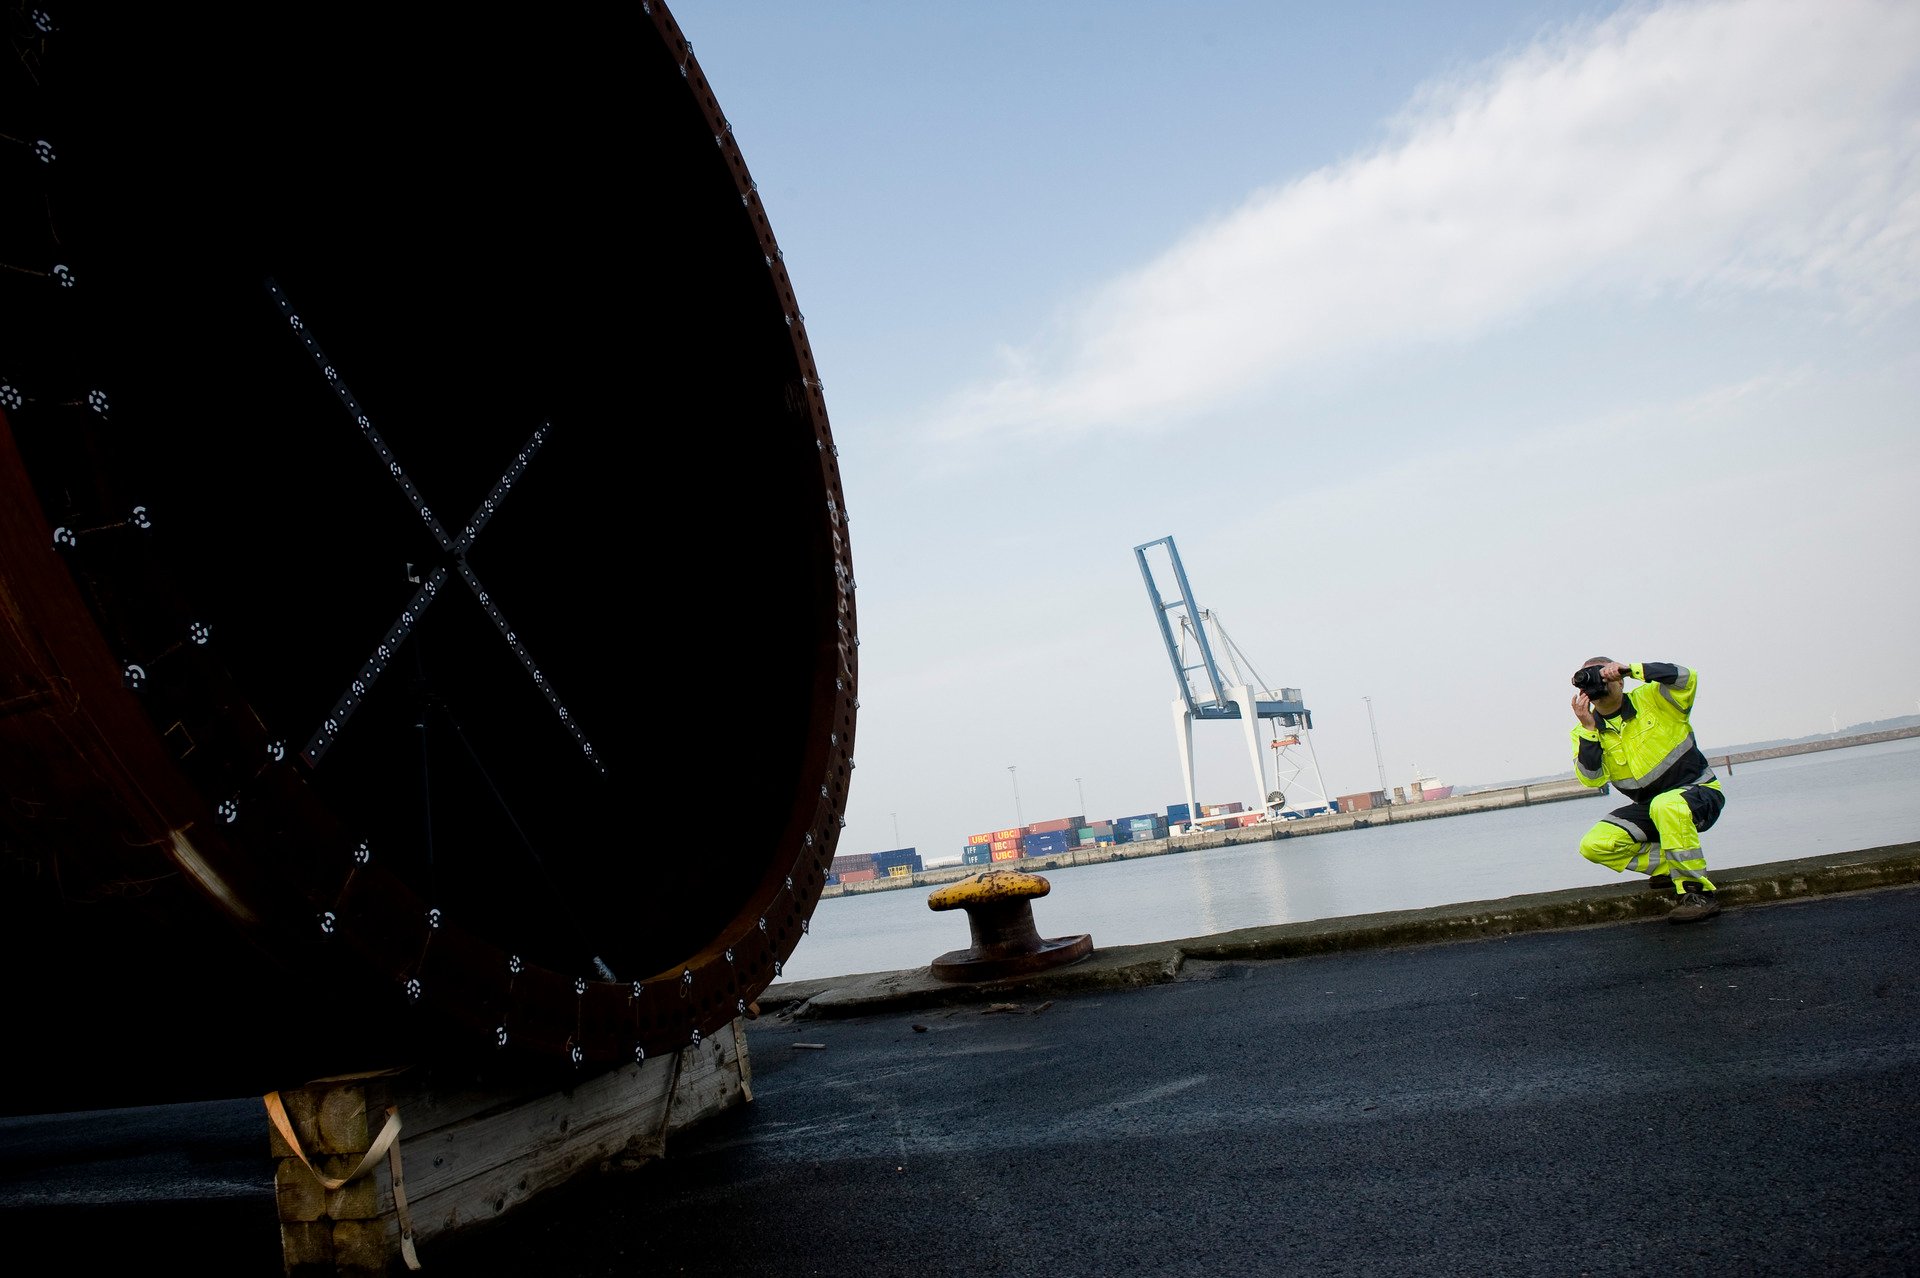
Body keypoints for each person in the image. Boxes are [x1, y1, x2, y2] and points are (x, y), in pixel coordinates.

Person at [1570, 658, 1726, 922]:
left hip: (1698, 793)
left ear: (1620, 680)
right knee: (1594, 845)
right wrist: (1589, 729)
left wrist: (1632, 669)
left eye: (1605, 675)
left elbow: (1687, 677)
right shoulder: (1585, 730)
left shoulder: (1654, 698)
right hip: (1650, 808)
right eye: (1593, 678)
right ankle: (1671, 868)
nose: (1601, 681)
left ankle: (1697, 893)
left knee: (1666, 805)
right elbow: (1592, 779)